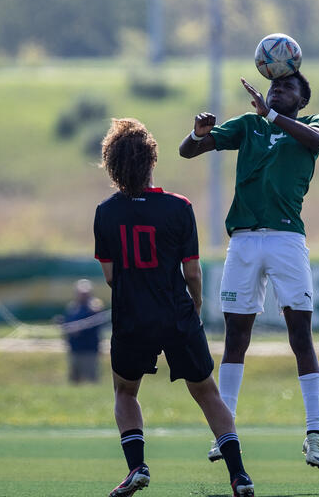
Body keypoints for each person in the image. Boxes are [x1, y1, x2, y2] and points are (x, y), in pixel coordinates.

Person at [94, 117, 255, 497]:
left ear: (112, 165)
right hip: (176, 313)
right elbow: (193, 271)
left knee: (125, 392)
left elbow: (110, 275)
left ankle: (137, 467)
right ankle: (239, 475)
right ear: (152, 160)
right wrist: (194, 305)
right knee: (206, 392)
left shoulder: (106, 212)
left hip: (132, 315)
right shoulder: (179, 207)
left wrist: (136, 287)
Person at [178, 70, 319, 468]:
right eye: (275, 85)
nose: (278, 89)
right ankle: (224, 432)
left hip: (286, 240)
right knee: (235, 338)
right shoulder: (248, 125)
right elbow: (187, 152)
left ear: (302, 100)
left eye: (288, 87)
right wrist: (197, 133)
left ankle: (314, 433)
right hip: (243, 241)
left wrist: (273, 115)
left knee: (301, 335)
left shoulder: (312, 125)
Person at [61, 278, 106, 383]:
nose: (83, 295)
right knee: (74, 380)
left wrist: (77, 329)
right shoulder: (73, 308)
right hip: (75, 349)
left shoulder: (94, 308)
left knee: (91, 379)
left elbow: (94, 325)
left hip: (89, 350)